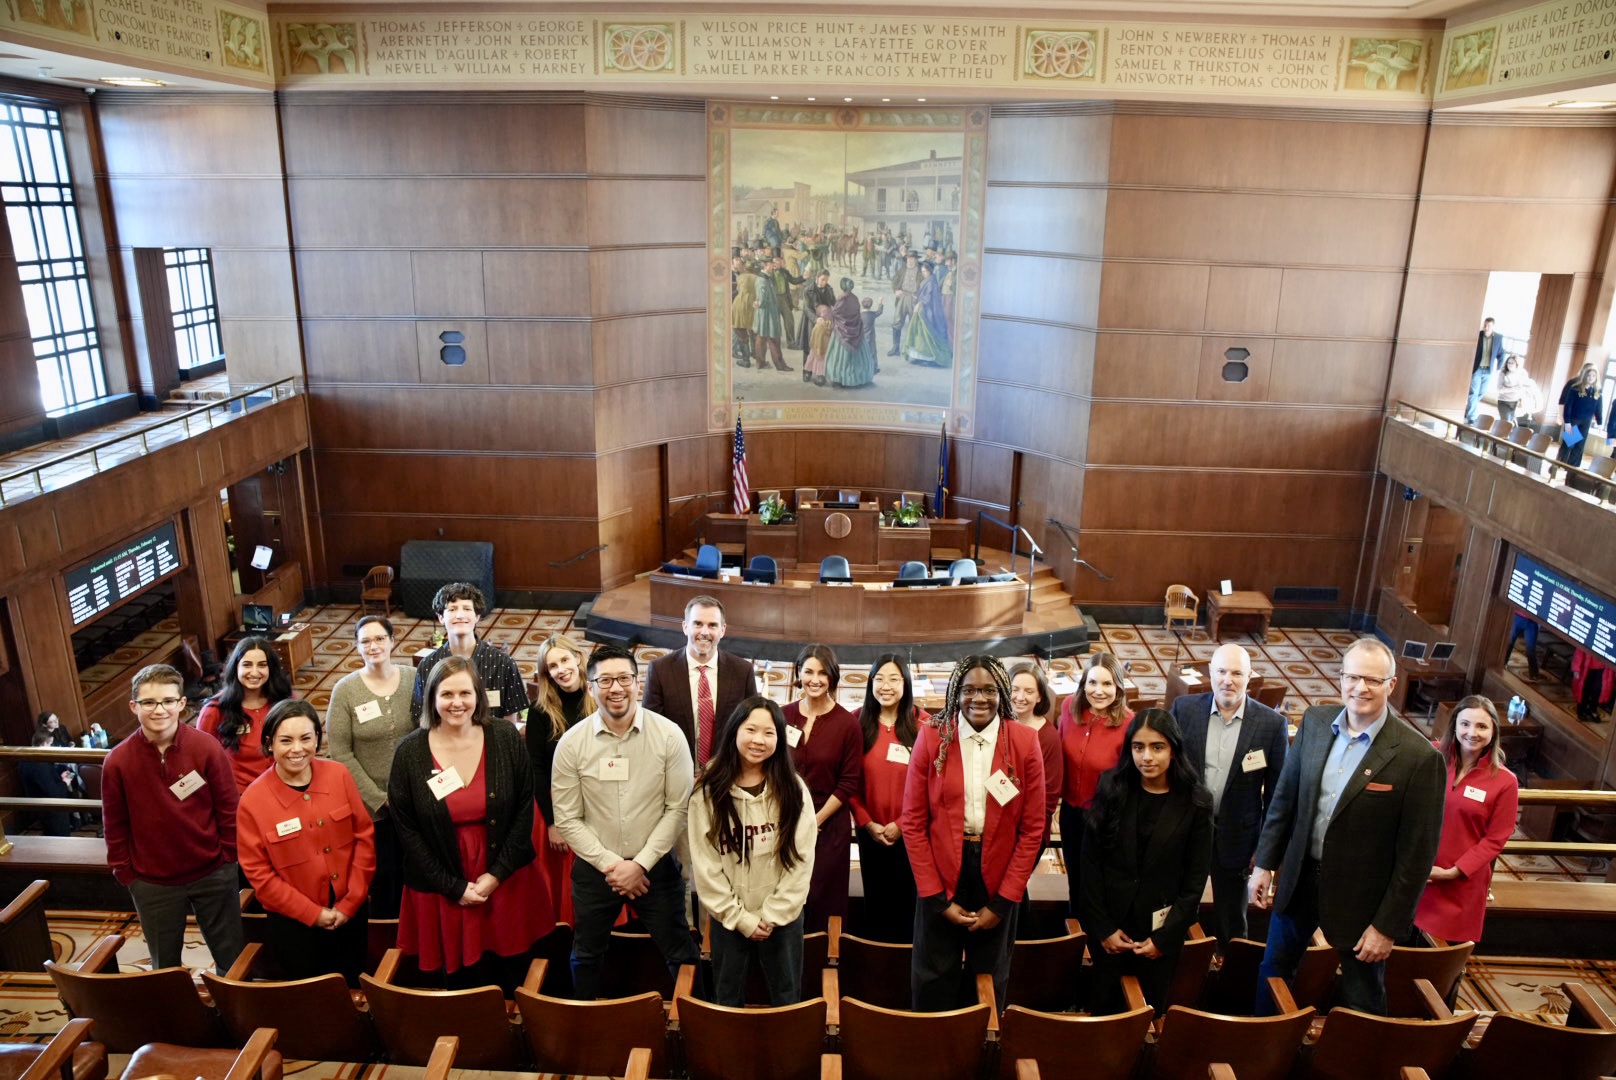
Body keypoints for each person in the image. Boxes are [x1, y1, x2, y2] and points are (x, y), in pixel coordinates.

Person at [1251, 638, 1446, 1015]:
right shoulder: (1315, 721)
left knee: (1363, 996)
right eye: (1353, 677)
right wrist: (1264, 863)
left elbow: (1416, 857)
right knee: (1273, 973)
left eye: (1373, 680)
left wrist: (1387, 927)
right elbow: (1285, 801)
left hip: (1363, 902)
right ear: (1340, 678)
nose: (1361, 688)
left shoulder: (1418, 758)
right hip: (1299, 880)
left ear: (1391, 685)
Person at [390, 656, 552, 992]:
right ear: (432, 698)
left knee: (512, 974)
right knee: (460, 983)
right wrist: (453, 887)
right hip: (442, 884)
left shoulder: (506, 738)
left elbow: (525, 808)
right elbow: (406, 829)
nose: (457, 703)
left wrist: (496, 875)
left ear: (478, 695)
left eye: (465, 693)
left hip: (505, 877)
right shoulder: (409, 752)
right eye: (447, 694)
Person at [552, 643, 700, 999]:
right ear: (590, 688)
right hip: (595, 868)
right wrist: (614, 866)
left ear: (638, 683)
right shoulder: (571, 744)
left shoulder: (668, 735)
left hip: (656, 866)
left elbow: (677, 809)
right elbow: (568, 819)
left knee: (683, 955)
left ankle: (697, 1034)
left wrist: (641, 864)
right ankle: (585, 1028)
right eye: (605, 680)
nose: (615, 688)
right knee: (585, 955)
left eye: (623, 679)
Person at [902, 655, 1044, 1012]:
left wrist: (1003, 902)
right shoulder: (933, 736)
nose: (978, 699)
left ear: (1002, 694)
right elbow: (913, 823)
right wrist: (936, 899)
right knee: (933, 977)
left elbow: (1032, 830)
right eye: (969, 690)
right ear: (955, 692)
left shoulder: (1024, 741)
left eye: (989, 690)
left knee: (989, 982)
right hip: (941, 870)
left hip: (997, 876)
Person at [103, 663, 245, 972]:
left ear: (182, 704)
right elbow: (114, 825)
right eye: (149, 702)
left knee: (231, 959)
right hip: (152, 883)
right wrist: (127, 874)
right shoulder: (117, 762)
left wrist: (227, 858)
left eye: (168, 701)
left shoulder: (206, 748)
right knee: (164, 968)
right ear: (133, 706)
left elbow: (229, 809)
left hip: (213, 872)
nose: (159, 710)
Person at [1080, 709, 1214, 1012]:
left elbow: (1195, 882)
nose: (1147, 757)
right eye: (1138, 747)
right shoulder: (1111, 787)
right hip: (1111, 931)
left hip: (1159, 936)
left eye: (1157, 747)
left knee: (1147, 1018)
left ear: (1174, 750)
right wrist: (1103, 928)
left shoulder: (1196, 802)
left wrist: (1164, 939)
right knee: (1103, 1011)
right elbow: (1090, 866)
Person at [688, 696, 817, 1006]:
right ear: (735, 731)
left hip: (782, 919)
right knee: (726, 996)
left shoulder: (793, 789)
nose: (759, 740)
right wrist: (739, 918)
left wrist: (772, 915)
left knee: (786, 996)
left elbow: (802, 859)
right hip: (729, 920)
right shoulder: (709, 792)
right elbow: (705, 867)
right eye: (751, 730)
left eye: (769, 733)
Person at [237, 699, 375, 984]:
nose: (297, 749)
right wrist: (313, 914)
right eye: (286, 740)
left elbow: (364, 837)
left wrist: (351, 903)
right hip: (295, 926)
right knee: (311, 1003)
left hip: (351, 915)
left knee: (355, 989)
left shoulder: (339, 775)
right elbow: (260, 876)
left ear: (317, 740)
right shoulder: (252, 801)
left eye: (306, 738)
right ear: (269, 743)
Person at [1169, 643, 1288, 951]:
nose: (1228, 680)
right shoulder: (1184, 710)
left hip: (1238, 837)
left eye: (1237, 673)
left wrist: (1265, 853)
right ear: (1211, 673)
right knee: (1176, 907)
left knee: (1232, 919)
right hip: (1186, 830)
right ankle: (1176, 965)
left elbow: (1278, 797)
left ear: (1250, 676)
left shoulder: (1271, 726)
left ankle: (1231, 976)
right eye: (1221, 671)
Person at [325, 615, 416, 918]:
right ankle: (384, 946)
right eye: (365, 641)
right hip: (369, 808)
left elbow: (430, 735)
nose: (373, 646)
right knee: (382, 878)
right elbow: (340, 752)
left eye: (379, 639)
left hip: (416, 799)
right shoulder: (345, 691)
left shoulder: (415, 678)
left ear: (392, 641)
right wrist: (380, 798)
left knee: (416, 874)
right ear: (357, 647)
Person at [1415, 696, 1519, 945]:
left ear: (1493, 731)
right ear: (1454, 727)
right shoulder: (1431, 756)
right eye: (1465, 724)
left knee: (1438, 968)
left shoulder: (1505, 782)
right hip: (1415, 873)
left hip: (1458, 884)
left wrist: (1452, 872)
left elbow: (1495, 839)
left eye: (1482, 726)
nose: (1472, 733)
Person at [783, 644, 863, 932]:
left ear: (832, 677)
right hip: (785, 819)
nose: (814, 680)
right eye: (808, 672)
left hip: (827, 824)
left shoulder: (847, 724)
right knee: (786, 896)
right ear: (798, 674)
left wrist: (815, 820)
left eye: (822, 673)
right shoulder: (782, 715)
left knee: (822, 897)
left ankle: (825, 963)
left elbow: (848, 782)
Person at [850, 654, 929, 943]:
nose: (886, 686)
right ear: (870, 683)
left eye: (894, 679)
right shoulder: (856, 722)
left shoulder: (924, 725)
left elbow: (931, 786)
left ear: (906, 684)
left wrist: (902, 824)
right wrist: (867, 822)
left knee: (908, 906)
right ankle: (877, 970)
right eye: (879, 678)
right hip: (870, 832)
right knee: (876, 903)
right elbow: (849, 782)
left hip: (912, 834)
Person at [525, 633, 596, 925]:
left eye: (565, 660)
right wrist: (554, 823)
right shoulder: (541, 710)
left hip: (597, 801)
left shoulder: (599, 697)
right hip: (557, 805)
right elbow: (536, 768)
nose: (561, 670)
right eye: (552, 666)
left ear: (578, 658)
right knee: (563, 883)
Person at [1057, 651, 1133, 917]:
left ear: (1118, 688)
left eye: (1107, 684)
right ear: (1083, 684)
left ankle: (1096, 933)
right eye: (1092, 682)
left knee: (1097, 881)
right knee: (1074, 876)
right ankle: (1075, 932)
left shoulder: (1129, 724)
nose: (1098, 691)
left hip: (1104, 817)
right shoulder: (1068, 707)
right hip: (1069, 812)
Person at [643, 596, 758, 771]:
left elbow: (751, 725)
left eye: (712, 625)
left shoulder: (743, 671)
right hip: (675, 770)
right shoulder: (660, 670)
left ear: (723, 630)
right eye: (697, 624)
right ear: (685, 627)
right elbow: (651, 729)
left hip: (726, 772)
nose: (704, 632)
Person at [411, 582, 529, 724]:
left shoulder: (503, 663)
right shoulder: (428, 665)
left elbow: (510, 719)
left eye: (467, 608)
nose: (460, 615)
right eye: (452, 609)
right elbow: (422, 718)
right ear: (441, 618)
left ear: (477, 617)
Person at [198, 636, 294, 793]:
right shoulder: (214, 711)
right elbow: (201, 763)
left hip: (286, 789)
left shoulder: (284, 699)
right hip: (240, 797)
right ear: (235, 668)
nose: (254, 672)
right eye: (247, 665)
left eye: (262, 665)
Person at [1007, 662, 1063, 856]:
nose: (1020, 697)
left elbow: (1048, 798)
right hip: (993, 827)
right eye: (1014, 689)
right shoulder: (995, 725)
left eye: (1029, 691)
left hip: (1028, 832)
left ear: (1040, 696)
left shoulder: (1048, 737)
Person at [19, 731, 76, 836]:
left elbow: (43, 782)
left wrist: (60, 777)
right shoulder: (41, 764)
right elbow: (53, 792)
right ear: (44, 744)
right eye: (50, 744)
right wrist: (65, 782)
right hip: (53, 810)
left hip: (40, 808)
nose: (51, 747)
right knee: (61, 837)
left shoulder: (24, 759)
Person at [1557, 362, 1607, 469]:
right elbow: (1568, 406)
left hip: (1586, 421)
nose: (1591, 377)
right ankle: (1558, 465)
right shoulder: (1575, 388)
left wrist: (1599, 423)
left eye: (1593, 375)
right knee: (1569, 443)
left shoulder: (1597, 391)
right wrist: (1567, 422)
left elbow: (1599, 408)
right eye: (1589, 375)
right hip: (1574, 419)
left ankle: (1573, 468)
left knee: (1580, 445)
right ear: (1584, 374)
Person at [1465, 316, 1505, 426]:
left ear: (1493, 326)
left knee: (1481, 393)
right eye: (1485, 325)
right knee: (1474, 392)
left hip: (1488, 370)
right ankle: (1471, 417)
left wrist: (1499, 368)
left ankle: (1469, 409)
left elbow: (1501, 353)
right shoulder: (1478, 335)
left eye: (1489, 325)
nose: (1486, 327)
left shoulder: (1498, 338)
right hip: (1477, 369)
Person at [1494, 354, 1539, 424]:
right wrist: (1514, 389)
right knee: (1506, 422)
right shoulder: (1503, 373)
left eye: (1512, 363)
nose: (1510, 365)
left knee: (1514, 423)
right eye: (1508, 363)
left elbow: (1526, 387)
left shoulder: (1523, 373)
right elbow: (1499, 389)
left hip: (1515, 402)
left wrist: (1522, 400)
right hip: (1503, 401)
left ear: (1517, 364)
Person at [1504, 612, 1540, 680]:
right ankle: (1502, 663)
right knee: (1509, 642)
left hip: (1531, 622)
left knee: (1530, 649)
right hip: (1518, 616)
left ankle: (1534, 674)